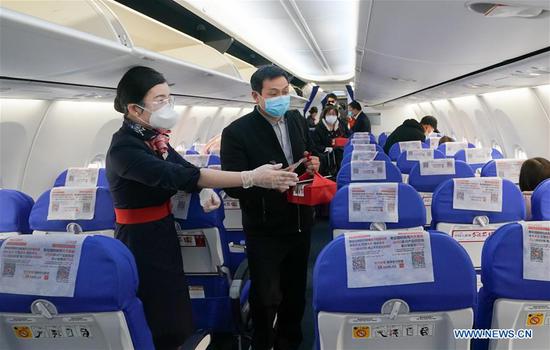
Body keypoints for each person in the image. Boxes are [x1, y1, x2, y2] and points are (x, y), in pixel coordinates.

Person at [105, 66, 298, 350]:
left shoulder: (154, 138)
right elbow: (183, 177)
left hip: (162, 231)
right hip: (139, 238)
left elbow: (184, 168)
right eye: (160, 100)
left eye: (169, 98)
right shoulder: (124, 149)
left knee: (175, 303)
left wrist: (206, 188)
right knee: (160, 310)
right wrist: (251, 177)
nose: (168, 106)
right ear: (134, 109)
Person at [220, 65, 321, 350]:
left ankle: (290, 342)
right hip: (264, 228)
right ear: (256, 96)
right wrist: (264, 182)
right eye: (273, 94)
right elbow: (232, 185)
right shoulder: (237, 132)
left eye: (285, 92)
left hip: (300, 220)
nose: (281, 98)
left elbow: (309, 152)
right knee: (266, 298)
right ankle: (263, 344)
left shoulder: (296, 119)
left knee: (295, 293)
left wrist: (314, 164)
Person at [311, 105, 350, 174]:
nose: (331, 116)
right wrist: (325, 149)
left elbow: (348, 137)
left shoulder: (342, 125)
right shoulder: (319, 128)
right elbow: (315, 144)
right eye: (329, 114)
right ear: (324, 115)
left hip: (341, 156)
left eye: (334, 114)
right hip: (325, 158)